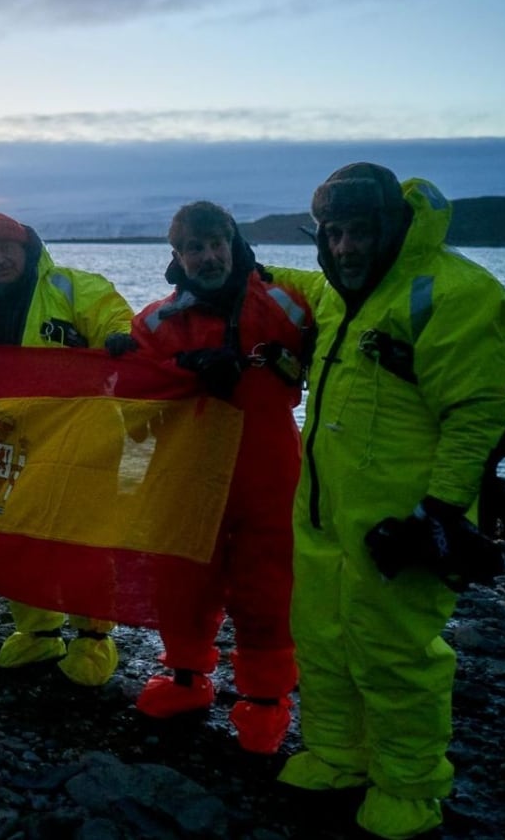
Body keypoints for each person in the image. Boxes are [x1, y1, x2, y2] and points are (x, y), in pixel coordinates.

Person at [270, 163, 505, 839]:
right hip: (325, 513)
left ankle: (409, 789)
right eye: (334, 233)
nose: (346, 246)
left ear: (394, 228)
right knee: (321, 638)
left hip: (401, 519)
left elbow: (476, 413)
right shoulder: (336, 297)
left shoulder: (455, 292)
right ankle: (336, 754)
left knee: (396, 655)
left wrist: (438, 515)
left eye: (360, 231)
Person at [116, 202, 309, 754]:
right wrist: (185, 368)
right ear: (176, 257)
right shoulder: (156, 322)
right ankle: (185, 678)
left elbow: (334, 359)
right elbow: (133, 402)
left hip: (266, 472)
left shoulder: (284, 306)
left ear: (233, 243)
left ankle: (266, 701)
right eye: (193, 249)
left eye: (215, 243)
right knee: (181, 580)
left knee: (267, 586)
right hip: (187, 475)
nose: (207, 256)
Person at [0, 212, 135, 686]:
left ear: (26, 247)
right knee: (14, 538)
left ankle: (93, 638)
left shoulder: (72, 287)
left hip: (83, 438)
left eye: (4, 249)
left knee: (84, 542)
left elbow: (117, 316)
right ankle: (38, 630)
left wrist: (122, 336)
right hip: (8, 441)